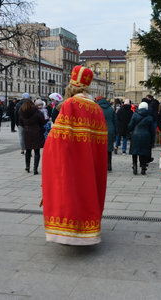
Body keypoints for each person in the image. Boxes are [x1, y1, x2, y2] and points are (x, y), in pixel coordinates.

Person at [42, 66, 108, 245]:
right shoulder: (96, 108)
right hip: (91, 162)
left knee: (71, 194)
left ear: (72, 85)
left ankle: (70, 232)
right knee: (87, 193)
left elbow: (57, 139)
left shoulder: (71, 104)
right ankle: (88, 229)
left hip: (72, 161)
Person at [19, 99, 46, 175]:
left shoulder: (21, 112)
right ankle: (35, 169)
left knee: (28, 150)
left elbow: (20, 122)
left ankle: (27, 167)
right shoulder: (37, 111)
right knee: (36, 151)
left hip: (27, 132)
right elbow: (43, 121)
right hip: (36, 131)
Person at [128, 101, 154, 175]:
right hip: (146, 135)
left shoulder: (135, 115)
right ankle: (143, 167)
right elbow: (152, 130)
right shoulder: (150, 117)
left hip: (135, 135)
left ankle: (135, 166)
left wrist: (130, 130)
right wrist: (152, 140)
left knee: (135, 152)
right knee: (144, 152)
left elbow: (130, 126)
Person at [97, 97, 117, 171]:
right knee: (109, 148)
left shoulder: (97, 109)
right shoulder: (111, 109)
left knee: (100, 149)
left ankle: (101, 165)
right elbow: (115, 121)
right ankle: (109, 165)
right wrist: (116, 132)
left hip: (99, 130)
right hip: (110, 130)